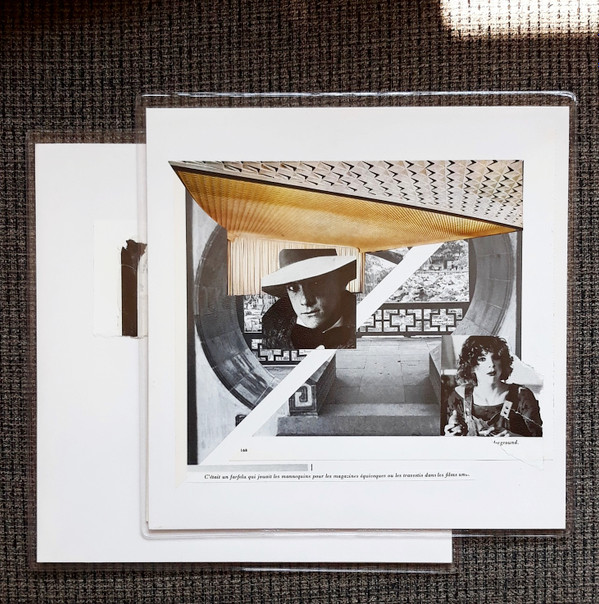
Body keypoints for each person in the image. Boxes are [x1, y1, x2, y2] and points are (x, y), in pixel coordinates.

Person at [443, 336, 543, 437]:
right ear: (471, 365)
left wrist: (514, 438)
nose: (491, 364)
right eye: (482, 359)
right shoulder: (457, 397)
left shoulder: (521, 395)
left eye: (496, 357)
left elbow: (538, 440)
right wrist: (450, 437)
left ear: (503, 361)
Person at [261, 249, 356, 350]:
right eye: (293, 288)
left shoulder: (362, 319)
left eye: (316, 283)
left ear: (340, 282)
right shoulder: (269, 333)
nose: (305, 301)